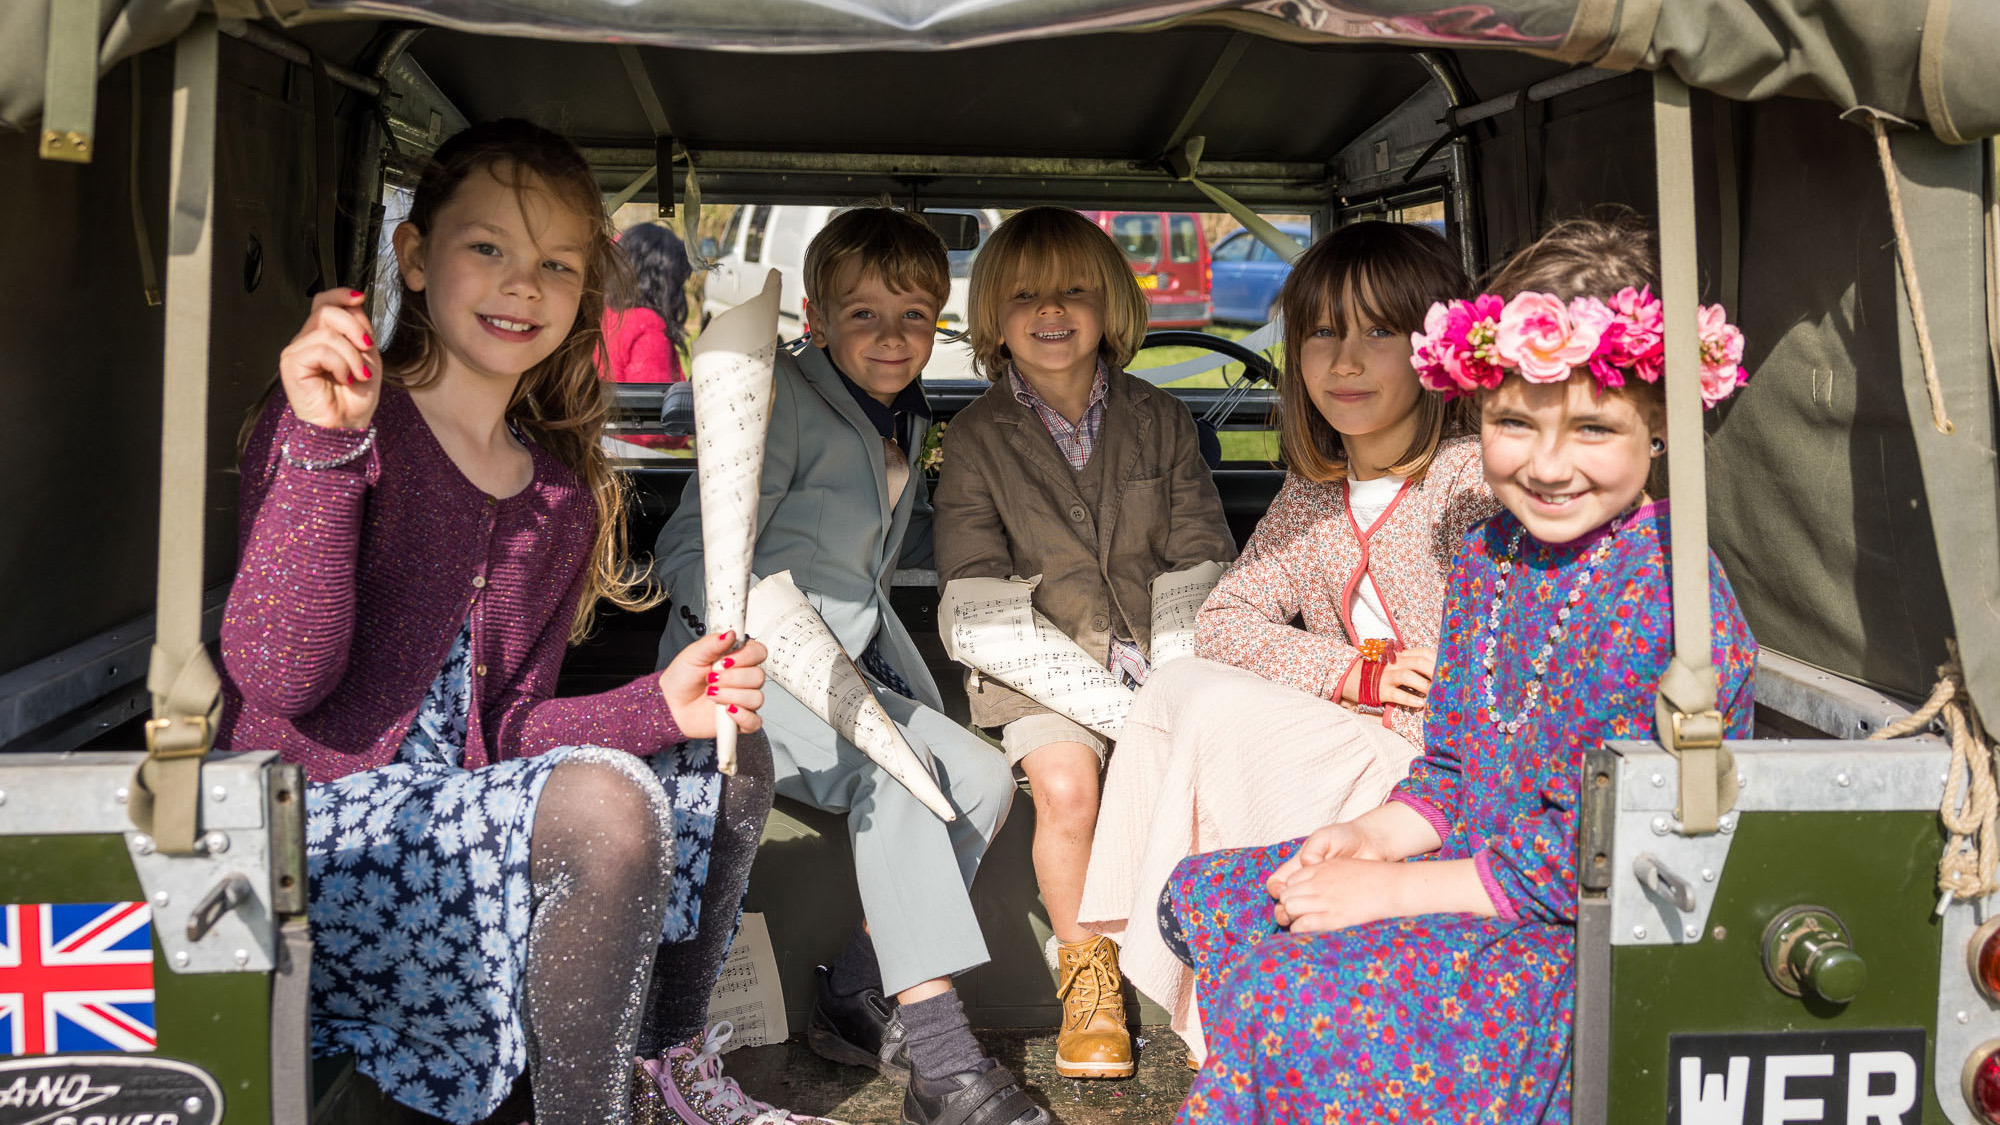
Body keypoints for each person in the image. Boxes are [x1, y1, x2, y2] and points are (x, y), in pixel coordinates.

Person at [216, 119, 773, 1125]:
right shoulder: (342, 421)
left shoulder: (553, 497)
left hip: (446, 841)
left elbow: (504, 736)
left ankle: (663, 1067)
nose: (522, 285)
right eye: (488, 250)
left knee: (730, 752)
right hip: (303, 849)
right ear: (414, 259)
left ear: (583, 296)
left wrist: (660, 706)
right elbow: (277, 680)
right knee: (605, 808)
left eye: (555, 265)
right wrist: (326, 450)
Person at [1162, 212, 1757, 1123]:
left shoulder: (1669, 594)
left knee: (1295, 985)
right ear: (1480, 413)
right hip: (1474, 864)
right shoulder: (1490, 555)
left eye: (1594, 429)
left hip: (1583, 931)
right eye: (1516, 423)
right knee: (1203, 896)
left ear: (1661, 431)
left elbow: (1631, 848)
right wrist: (1370, 835)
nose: (1549, 466)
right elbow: (1449, 766)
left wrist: (1392, 889)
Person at [1075, 221, 1499, 1064]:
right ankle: (1214, 988)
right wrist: (1354, 669)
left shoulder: (1472, 479)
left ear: (1435, 352)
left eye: (1380, 331)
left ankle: (1226, 1011)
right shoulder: (1313, 497)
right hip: (1366, 736)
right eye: (1322, 333)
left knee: (1221, 708)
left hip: (1436, 779)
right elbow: (1225, 623)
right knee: (1181, 682)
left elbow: (1497, 658)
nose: (1345, 362)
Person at [653, 207, 1042, 1125]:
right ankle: (943, 1062)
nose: (893, 337)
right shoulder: (775, 396)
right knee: (898, 777)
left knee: (983, 778)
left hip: (847, 669)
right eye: (864, 315)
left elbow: (859, 582)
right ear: (816, 319)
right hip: (746, 667)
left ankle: (859, 991)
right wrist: (755, 629)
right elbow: (686, 554)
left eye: (914, 315)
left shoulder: (907, 414)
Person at [931, 206, 1237, 1080]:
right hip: (1032, 667)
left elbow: (1201, 556)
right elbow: (976, 590)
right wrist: (1105, 699)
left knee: (1209, 767)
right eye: (1025, 294)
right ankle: (1090, 981)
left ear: (1110, 306)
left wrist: (1171, 684)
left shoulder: (1160, 420)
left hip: (1164, 650)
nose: (1051, 310)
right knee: (1068, 787)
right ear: (993, 316)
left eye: (1074, 290)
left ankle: (1216, 978)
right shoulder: (977, 439)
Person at [603, 221, 692, 450]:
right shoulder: (649, 327)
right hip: (629, 457)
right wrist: (687, 431)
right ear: (665, 279)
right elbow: (654, 422)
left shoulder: (604, 314)